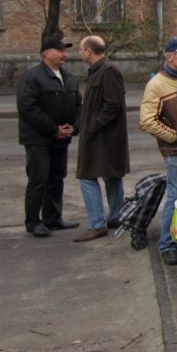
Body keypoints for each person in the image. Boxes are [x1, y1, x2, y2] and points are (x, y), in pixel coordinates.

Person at [17, 36, 82, 237]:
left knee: (56, 178)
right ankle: (33, 222)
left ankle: (53, 218)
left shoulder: (68, 77)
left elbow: (79, 105)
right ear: (46, 53)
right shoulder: (32, 77)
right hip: (38, 139)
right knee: (39, 179)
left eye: (65, 50)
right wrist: (54, 129)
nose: (64, 54)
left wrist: (74, 127)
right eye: (60, 50)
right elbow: (28, 108)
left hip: (61, 139)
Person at [140, 37, 177, 264]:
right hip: (174, 151)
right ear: (169, 56)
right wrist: (176, 137)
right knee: (175, 195)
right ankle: (167, 244)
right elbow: (147, 121)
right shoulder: (156, 84)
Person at [73, 36, 129, 242]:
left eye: (81, 49)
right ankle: (115, 216)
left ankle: (98, 224)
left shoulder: (108, 71)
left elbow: (112, 105)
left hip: (103, 137)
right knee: (111, 176)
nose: (79, 53)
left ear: (89, 51)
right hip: (101, 136)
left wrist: (93, 127)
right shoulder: (99, 71)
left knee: (87, 176)